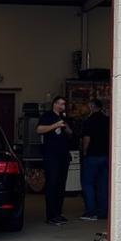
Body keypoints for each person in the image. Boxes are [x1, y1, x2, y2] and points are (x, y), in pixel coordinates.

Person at [36, 96, 73, 226]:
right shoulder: (47, 116)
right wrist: (55, 125)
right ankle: (50, 215)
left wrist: (66, 127)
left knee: (61, 185)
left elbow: (70, 133)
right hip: (51, 155)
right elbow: (39, 129)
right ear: (54, 104)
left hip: (63, 155)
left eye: (63, 104)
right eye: (59, 103)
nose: (61, 106)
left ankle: (58, 213)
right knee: (52, 183)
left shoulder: (64, 117)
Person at [79, 98, 109, 221]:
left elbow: (87, 138)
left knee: (88, 184)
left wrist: (84, 151)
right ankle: (103, 212)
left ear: (92, 106)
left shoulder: (89, 121)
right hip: (106, 156)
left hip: (92, 156)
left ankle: (91, 212)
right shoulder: (108, 120)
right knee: (103, 185)